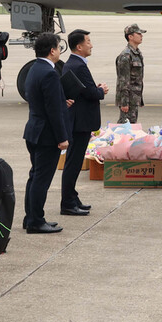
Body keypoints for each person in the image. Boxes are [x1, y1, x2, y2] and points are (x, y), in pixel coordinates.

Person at [23, 32, 71, 233]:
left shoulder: (35, 69)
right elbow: (52, 110)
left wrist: (62, 102)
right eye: (59, 47)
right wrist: (62, 138)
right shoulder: (50, 73)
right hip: (46, 135)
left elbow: (42, 100)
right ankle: (36, 221)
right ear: (52, 50)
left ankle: (31, 217)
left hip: (34, 130)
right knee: (41, 179)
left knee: (34, 176)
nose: (59, 51)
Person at [61, 29, 108, 214]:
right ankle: (68, 203)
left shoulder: (72, 64)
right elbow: (89, 93)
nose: (91, 45)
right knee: (73, 162)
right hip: (80, 122)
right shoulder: (78, 66)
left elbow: (82, 89)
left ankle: (72, 197)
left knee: (74, 161)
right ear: (79, 46)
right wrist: (101, 90)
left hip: (78, 121)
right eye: (88, 41)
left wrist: (93, 89)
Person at [115, 23, 145, 123]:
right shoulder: (126, 56)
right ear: (130, 37)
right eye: (139, 34)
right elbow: (123, 81)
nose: (141, 36)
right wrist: (124, 102)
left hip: (134, 98)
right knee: (125, 126)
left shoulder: (137, 53)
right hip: (128, 99)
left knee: (131, 126)